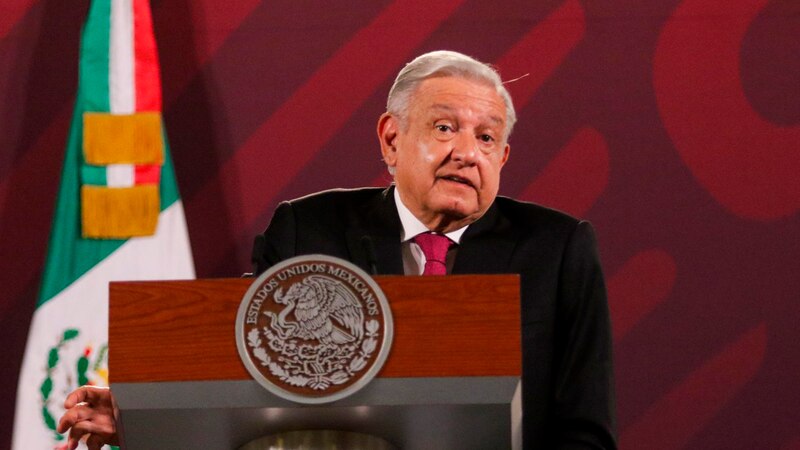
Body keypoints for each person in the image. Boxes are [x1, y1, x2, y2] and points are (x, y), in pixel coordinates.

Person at [59, 50, 616, 449]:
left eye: (486, 137)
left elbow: (585, 429)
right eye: (445, 127)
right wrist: (140, 418)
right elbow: (253, 386)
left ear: (503, 158)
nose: (468, 153)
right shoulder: (308, 230)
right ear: (391, 140)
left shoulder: (558, 249)